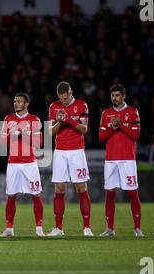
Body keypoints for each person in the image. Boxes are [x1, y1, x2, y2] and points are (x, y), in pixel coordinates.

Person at [47, 81, 93, 236]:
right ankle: (58, 228)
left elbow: (84, 129)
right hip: (60, 151)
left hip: (77, 151)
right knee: (59, 188)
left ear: (71, 92)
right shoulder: (53, 106)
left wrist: (70, 120)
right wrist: (59, 122)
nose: (63, 101)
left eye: (65, 98)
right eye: (60, 98)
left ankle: (86, 227)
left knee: (81, 187)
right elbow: (50, 133)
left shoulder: (81, 105)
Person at [98, 84, 143, 237]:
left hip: (127, 160)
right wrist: (113, 127)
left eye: (117, 95)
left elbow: (135, 136)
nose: (114, 98)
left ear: (123, 96)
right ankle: (110, 229)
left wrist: (121, 125)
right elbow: (102, 137)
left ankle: (137, 228)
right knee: (110, 193)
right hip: (110, 160)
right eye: (112, 96)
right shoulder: (106, 113)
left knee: (132, 192)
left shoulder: (132, 112)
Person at [0, 93, 45, 237]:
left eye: (18, 101)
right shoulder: (8, 119)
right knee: (11, 196)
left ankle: (39, 228)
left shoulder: (34, 119)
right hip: (13, 163)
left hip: (30, 163)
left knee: (36, 195)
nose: (15, 103)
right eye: (14, 101)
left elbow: (40, 143)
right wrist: (12, 135)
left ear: (26, 104)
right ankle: (9, 229)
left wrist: (24, 134)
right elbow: (2, 142)